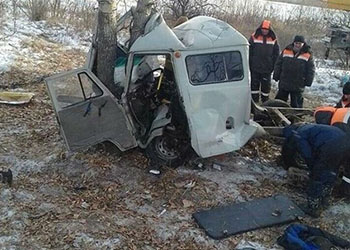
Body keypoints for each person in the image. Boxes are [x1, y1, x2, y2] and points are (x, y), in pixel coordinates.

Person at [282, 123, 350, 217]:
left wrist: (313, 168)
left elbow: (307, 153)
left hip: (330, 146)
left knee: (318, 176)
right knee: (332, 171)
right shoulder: (310, 127)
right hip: (346, 142)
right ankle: (325, 200)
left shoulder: (298, 134)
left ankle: (313, 207)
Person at [273, 35, 315, 108]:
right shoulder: (286, 51)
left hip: (298, 84)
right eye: (296, 43)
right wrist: (276, 75)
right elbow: (278, 64)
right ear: (293, 43)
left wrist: (308, 81)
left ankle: (295, 118)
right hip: (284, 81)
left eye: (299, 43)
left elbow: (311, 70)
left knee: (296, 105)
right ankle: (277, 116)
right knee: (279, 103)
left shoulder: (307, 54)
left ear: (303, 44)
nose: (297, 45)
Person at [249, 20, 279, 103]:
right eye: (263, 29)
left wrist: (273, 66)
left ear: (269, 30)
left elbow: (276, 54)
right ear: (260, 28)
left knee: (266, 88)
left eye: (266, 29)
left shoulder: (273, 39)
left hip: (267, 68)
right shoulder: (254, 37)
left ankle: (265, 103)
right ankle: (254, 102)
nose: (264, 31)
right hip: (255, 67)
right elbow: (249, 51)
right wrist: (250, 64)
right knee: (254, 87)